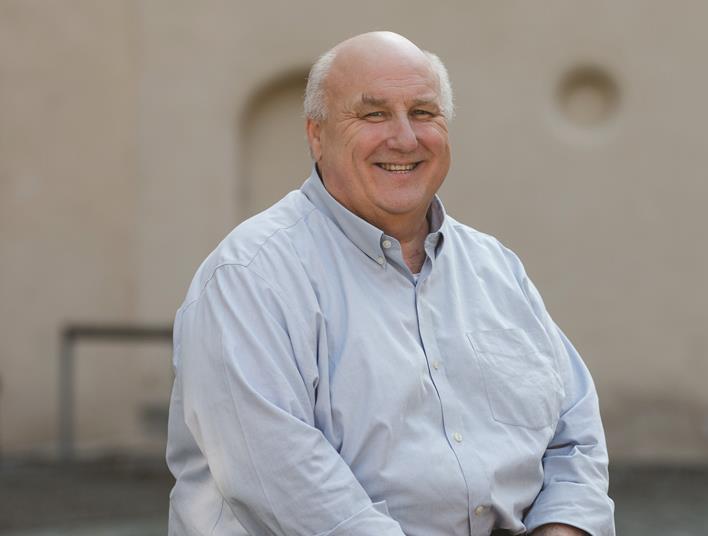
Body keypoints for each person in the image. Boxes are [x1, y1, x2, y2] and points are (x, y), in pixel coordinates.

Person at [166, 31, 614, 536]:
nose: (404, 138)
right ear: (317, 135)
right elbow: (283, 481)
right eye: (373, 114)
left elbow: (574, 434)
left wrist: (563, 527)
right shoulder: (251, 277)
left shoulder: (496, 268)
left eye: (423, 113)